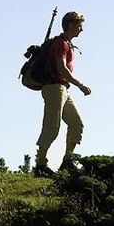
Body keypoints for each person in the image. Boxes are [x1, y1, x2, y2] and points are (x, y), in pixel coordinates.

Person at [34, 11, 92, 178]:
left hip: (62, 89)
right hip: (54, 88)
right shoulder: (61, 44)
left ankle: (67, 161)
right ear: (71, 25)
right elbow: (62, 69)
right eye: (79, 25)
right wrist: (81, 85)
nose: (81, 29)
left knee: (76, 124)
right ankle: (40, 164)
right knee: (52, 127)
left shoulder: (66, 43)